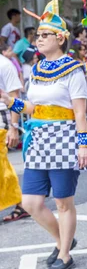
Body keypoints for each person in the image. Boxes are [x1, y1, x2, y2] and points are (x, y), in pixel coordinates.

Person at [0, 0, 87, 269]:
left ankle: (64, 254)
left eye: (44, 35)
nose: (37, 40)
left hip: (64, 139)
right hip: (38, 140)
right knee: (30, 203)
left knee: (64, 202)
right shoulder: (37, 70)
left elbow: (80, 113)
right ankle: (62, 240)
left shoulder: (73, 70)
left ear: (60, 38)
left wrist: (83, 146)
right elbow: (31, 107)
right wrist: (8, 100)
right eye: (37, 35)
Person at [0, 51, 29, 222]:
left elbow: (15, 97)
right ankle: (20, 202)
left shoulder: (4, 65)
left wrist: (14, 127)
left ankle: (21, 202)